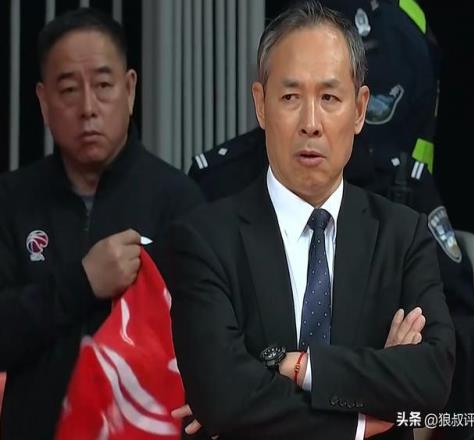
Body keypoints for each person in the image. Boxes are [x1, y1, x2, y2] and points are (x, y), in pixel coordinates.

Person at [166, 2, 455, 439]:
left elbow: (431, 376)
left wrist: (300, 367)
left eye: (329, 98)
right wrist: (363, 416)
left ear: (359, 110)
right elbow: (223, 398)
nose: (311, 123)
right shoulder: (206, 239)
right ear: (261, 105)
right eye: (290, 97)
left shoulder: (403, 236)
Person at [0, 8, 203, 439]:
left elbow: (209, 339)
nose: (88, 108)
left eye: (104, 86)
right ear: (43, 102)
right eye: (69, 90)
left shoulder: (179, 201)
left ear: (130, 90)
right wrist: (81, 283)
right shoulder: (12, 200)